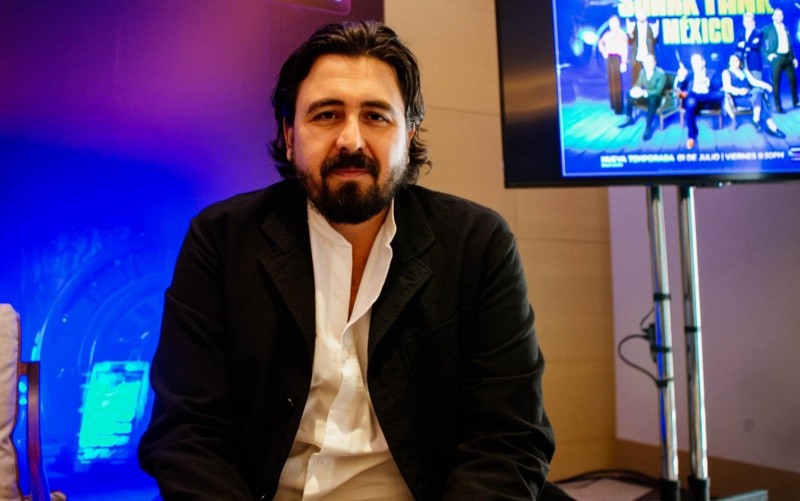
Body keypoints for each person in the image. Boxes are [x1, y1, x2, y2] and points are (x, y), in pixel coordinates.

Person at [137, 20, 557, 500]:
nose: (351, 141)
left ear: (409, 134)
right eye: (327, 115)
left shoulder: (477, 243)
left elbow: (508, 438)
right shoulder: (221, 239)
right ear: (290, 134)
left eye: (376, 116)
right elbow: (187, 433)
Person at [722, 54, 786, 137]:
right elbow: (727, 88)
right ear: (729, 62)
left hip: (750, 96)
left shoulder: (744, 71)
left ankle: (757, 120)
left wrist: (766, 85)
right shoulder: (726, 72)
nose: (735, 63)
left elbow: (754, 81)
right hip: (738, 99)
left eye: (737, 60)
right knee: (760, 98)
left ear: (739, 62)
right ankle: (770, 126)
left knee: (758, 92)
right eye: (733, 61)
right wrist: (739, 91)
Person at [676, 53, 724, 150]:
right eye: (693, 62)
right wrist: (681, 78)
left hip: (708, 100)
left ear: (703, 62)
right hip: (693, 103)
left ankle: (693, 94)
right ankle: (691, 136)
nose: (695, 64)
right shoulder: (689, 74)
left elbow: (719, 88)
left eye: (697, 62)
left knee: (720, 94)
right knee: (690, 102)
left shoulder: (712, 73)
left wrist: (708, 82)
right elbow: (679, 89)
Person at [618, 53, 666, 141]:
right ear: (644, 63)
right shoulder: (642, 72)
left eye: (651, 62)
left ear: (655, 63)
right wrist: (635, 90)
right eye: (646, 62)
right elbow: (638, 84)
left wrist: (643, 92)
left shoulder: (661, 74)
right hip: (645, 95)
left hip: (657, 97)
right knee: (629, 94)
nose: (649, 64)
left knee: (653, 99)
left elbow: (658, 91)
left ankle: (648, 126)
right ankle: (629, 118)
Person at [762, 8, 798, 113]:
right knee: (776, 82)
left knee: (793, 79)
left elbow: (790, 44)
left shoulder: (785, 28)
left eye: (781, 15)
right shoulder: (768, 29)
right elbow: (760, 42)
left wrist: (794, 58)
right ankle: (778, 106)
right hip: (777, 58)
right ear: (773, 17)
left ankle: (795, 101)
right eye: (777, 15)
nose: (779, 17)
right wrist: (768, 54)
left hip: (788, 57)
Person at [598, 15, 629, 114]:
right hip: (609, 59)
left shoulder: (622, 34)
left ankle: (619, 108)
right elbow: (600, 43)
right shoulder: (607, 35)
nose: (613, 25)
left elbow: (624, 49)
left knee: (617, 83)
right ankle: (613, 104)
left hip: (617, 58)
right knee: (611, 82)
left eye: (615, 23)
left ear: (618, 24)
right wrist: (603, 51)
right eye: (611, 23)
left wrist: (623, 62)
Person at [626, 2, 659, 82]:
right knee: (636, 80)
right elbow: (630, 42)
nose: (641, 16)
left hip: (649, 57)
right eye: (639, 14)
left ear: (646, 15)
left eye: (643, 14)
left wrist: (655, 35)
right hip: (636, 57)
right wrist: (630, 34)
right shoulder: (633, 26)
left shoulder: (651, 26)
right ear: (636, 16)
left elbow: (654, 43)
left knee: (650, 80)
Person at [734, 13, 764, 79]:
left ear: (754, 22)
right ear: (743, 23)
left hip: (754, 64)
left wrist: (744, 45)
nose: (748, 23)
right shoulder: (741, 34)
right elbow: (737, 46)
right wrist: (749, 45)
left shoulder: (758, 33)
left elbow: (755, 46)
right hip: (743, 64)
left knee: (756, 82)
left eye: (750, 21)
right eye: (746, 21)